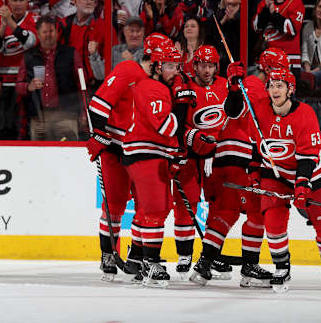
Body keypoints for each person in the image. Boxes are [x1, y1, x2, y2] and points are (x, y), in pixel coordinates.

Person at [194, 67, 321, 289]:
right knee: (272, 221)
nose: (274, 90)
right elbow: (246, 133)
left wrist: (302, 186)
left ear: (290, 89)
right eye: (271, 85)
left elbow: (308, 158)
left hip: (307, 175)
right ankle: (282, 267)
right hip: (274, 175)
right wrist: (254, 173)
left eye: (280, 85)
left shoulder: (305, 113)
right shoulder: (259, 109)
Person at [190, 47, 290, 288]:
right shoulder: (256, 85)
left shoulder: (256, 85)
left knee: (225, 212)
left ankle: (204, 265)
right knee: (257, 211)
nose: (283, 75)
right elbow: (235, 110)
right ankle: (249, 266)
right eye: (279, 70)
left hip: (226, 157)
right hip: (240, 158)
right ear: (268, 69)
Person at [86, 33, 173, 282]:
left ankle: (136, 257)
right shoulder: (128, 69)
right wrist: (101, 135)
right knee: (114, 205)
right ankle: (108, 255)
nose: (171, 67)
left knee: (146, 207)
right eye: (166, 61)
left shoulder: (159, 83)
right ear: (155, 59)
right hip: (116, 147)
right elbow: (99, 104)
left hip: (141, 152)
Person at [120, 45, 195, 287]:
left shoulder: (150, 86)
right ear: (158, 66)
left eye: (176, 66)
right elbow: (166, 127)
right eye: (171, 66)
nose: (175, 71)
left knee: (148, 211)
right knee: (156, 209)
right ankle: (152, 264)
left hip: (145, 153)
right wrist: (181, 105)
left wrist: (173, 153)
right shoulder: (154, 88)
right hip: (146, 154)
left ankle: (140, 260)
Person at [171, 45, 227, 278]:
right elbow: (177, 119)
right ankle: (184, 255)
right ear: (193, 65)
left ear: (217, 67)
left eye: (211, 65)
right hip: (190, 155)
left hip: (217, 157)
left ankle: (210, 255)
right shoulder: (185, 86)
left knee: (219, 207)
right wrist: (190, 137)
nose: (206, 69)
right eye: (202, 64)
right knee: (186, 205)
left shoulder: (225, 85)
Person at [16, 14, 84, 141]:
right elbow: (18, 86)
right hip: (39, 118)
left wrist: (84, 114)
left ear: (57, 32)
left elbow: (82, 85)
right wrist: (28, 86)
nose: (48, 35)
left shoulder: (71, 53)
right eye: (45, 31)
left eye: (51, 31)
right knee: (39, 158)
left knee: (67, 155)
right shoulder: (28, 56)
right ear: (38, 34)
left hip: (66, 115)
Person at [0, 0, 38, 89]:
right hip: (4, 78)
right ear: (8, 3)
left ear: (26, 2)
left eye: (21, 0)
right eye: (14, 0)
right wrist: (3, 24)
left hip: (28, 79)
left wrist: (9, 21)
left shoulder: (35, 19)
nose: (18, 4)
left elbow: (30, 42)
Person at [252, 0, 305, 80]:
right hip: (268, 58)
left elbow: (292, 29)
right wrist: (265, 10)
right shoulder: (265, 2)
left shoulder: (296, 3)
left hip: (289, 59)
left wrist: (273, 14)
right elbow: (256, 28)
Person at [58, 0, 105, 90]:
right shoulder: (63, 25)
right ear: (74, 1)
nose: (89, 2)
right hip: (68, 87)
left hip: (94, 88)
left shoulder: (104, 27)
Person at [89, 16, 145, 80]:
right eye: (131, 31)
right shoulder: (115, 50)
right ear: (125, 32)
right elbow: (101, 76)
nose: (135, 35)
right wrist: (94, 55)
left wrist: (133, 63)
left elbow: (151, 79)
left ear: (143, 32)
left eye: (138, 31)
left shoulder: (150, 52)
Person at [214, 0, 241, 77]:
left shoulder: (245, 15)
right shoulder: (217, 15)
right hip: (222, 61)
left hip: (239, 60)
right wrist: (223, 21)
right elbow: (212, 36)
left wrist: (234, 19)